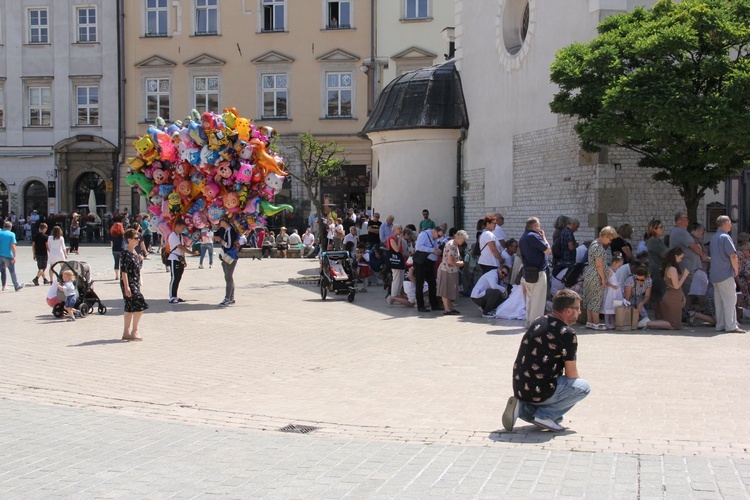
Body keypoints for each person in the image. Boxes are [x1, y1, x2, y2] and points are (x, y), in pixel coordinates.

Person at [502, 289, 590, 432]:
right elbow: (571, 374)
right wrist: (568, 396)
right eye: (578, 309)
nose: (580, 312)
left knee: (557, 415)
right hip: (540, 390)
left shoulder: (538, 321)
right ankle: (545, 415)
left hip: (520, 386)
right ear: (568, 311)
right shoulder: (567, 333)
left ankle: (522, 407)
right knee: (582, 387)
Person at [709, 216, 745, 333]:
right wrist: (736, 270)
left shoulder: (714, 237)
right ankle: (731, 326)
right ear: (725, 223)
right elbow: (733, 255)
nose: (731, 225)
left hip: (715, 274)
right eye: (729, 223)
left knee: (719, 301)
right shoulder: (725, 237)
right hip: (725, 273)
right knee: (730, 299)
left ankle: (720, 324)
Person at [519, 217, 551, 328]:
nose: (540, 227)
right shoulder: (535, 236)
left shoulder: (523, 236)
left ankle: (528, 322)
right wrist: (544, 238)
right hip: (538, 271)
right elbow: (547, 250)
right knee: (539, 299)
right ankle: (536, 324)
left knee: (530, 298)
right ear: (534, 226)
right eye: (538, 225)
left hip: (527, 272)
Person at [582, 226, 616, 330]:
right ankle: (596, 323)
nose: (610, 242)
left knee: (589, 298)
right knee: (596, 300)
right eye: (610, 239)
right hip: (596, 275)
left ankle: (590, 322)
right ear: (605, 236)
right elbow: (599, 265)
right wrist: (603, 279)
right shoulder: (599, 247)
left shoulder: (593, 244)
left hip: (589, 274)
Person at [120, 228, 147, 341]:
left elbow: (136, 268)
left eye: (138, 238)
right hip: (130, 283)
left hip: (135, 282)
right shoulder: (125, 253)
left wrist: (140, 259)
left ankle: (126, 332)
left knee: (129, 307)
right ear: (129, 240)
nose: (138, 240)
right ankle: (134, 330)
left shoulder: (134, 252)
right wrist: (126, 287)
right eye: (136, 238)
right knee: (140, 304)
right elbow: (124, 271)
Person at [668, 210, 702, 295]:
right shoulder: (681, 232)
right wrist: (702, 255)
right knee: (687, 289)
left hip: (687, 265)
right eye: (686, 218)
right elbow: (693, 246)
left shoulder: (678, 231)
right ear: (680, 220)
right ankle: (684, 306)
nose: (688, 220)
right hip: (686, 266)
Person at [167, 219, 198, 304]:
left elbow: (182, 249)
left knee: (178, 278)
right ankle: (172, 296)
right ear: (177, 226)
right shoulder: (172, 236)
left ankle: (175, 295)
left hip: (179, 258)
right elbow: (180, 247)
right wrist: (191, 252)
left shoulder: (180, 236)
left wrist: (184, 260)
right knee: (174, 278)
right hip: (174, 258)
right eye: (182, 227)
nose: (182, 229)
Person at [414, 226, 443, 313]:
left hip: (429, 263)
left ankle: (434, 304)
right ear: (434, 231)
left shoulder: (434, 237)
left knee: (432, 283)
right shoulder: (424, 234)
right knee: (420, 284)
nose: (438, 237)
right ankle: (420, 305)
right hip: (422, 262)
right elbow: (418, 247)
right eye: (438, 235)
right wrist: (432, 250)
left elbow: (434, 246)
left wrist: (438, 250)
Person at [438, 230, 466, 315]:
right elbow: (450, 261)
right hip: (447, 270)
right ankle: (447, 309)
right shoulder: (451, 246)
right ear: (458, 238)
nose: (463, 242)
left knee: (449, 289)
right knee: (445, 290)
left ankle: (450, 307)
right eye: (463, 240)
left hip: (450, 270)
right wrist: (460, 263)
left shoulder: (453, 244)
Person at [661, 248, 690, 330]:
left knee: (675, 324)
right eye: (680, 258)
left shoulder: (669, 267)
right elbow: (676, 286)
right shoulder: (672, 269)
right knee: (674, 324)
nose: (681, 260)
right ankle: (648, 323)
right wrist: (684, 275)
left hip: (674, 297)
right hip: (672, 297)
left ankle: (649, 323)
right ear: (675, 256)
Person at [645, 219, 668, 318]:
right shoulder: (653, 241)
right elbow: (665, 254)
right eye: (660, 227)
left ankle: (660, 318)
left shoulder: (658, 240)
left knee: (658, 297)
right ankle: (660, 318)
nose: (662, 229)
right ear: (654, 229)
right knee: (659, 297)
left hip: (659, 269)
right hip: (657, 270)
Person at [217, 217, 240, 307]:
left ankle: (227, 298)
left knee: (228, 277)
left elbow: (229, 245)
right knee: (229, 278)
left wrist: (221, 240)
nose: (219, 222)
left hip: (230, 256)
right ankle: (231, 298)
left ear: (224, 221)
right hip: (227, 256)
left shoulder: (230, 231)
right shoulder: (227, 231)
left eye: (221, 221)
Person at [601, 252, 624, 329]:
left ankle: (613, 322)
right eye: (619, 265)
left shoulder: (613, 272)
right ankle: (607, 323)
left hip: (614, 292)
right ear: (614, 263)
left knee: (613, 307)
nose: (619, 267)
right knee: (608, 307)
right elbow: (605, 281)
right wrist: (613, 286)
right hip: (610, 292)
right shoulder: (609, 271)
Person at [0, 221, 24, 291]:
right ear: (10, 227)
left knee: (2, 270)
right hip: (8, 255)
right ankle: (16, 286)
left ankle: (4, 286)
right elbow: (13, 246)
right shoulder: (11, 234)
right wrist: (14, 256)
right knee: (12, 271)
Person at [386, 224, 407, 301]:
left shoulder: (398, 238)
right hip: (395, 261)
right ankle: (393, 296)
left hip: (401, 260)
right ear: (394, 229)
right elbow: (396, 250)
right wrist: (399, 240)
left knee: (401, 278)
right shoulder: (391, 238)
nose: (401, 230)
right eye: (399, 228)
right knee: (396, 279)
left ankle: (398, 295)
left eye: (401, 228)